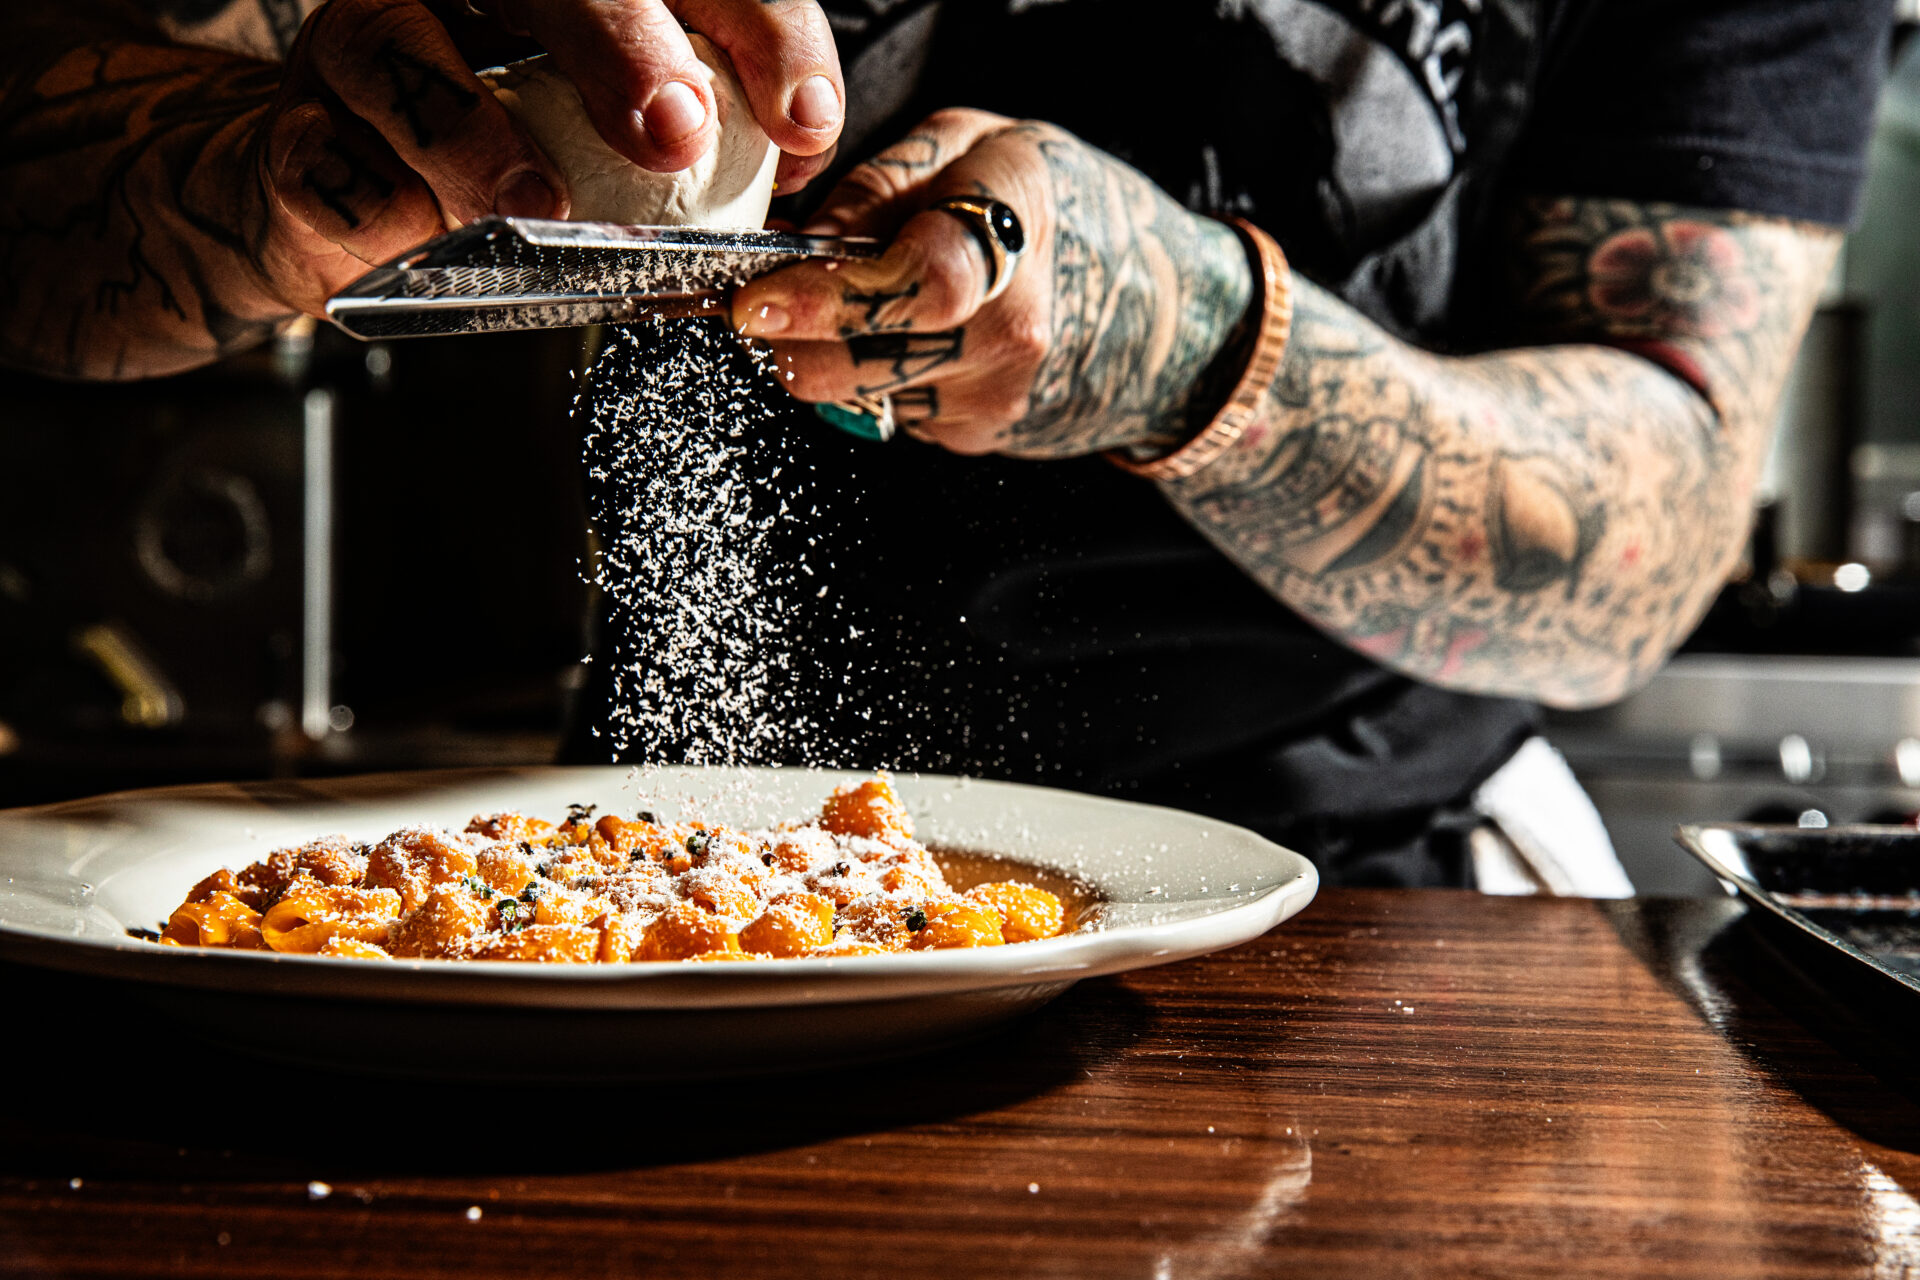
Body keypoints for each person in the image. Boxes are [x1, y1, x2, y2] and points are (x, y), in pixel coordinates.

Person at [0, 0, 1894, 888]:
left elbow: (1650, 538)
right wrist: (300, 164)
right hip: (655, 878)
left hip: (1382, 928)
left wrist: (1193, 342)